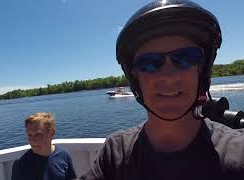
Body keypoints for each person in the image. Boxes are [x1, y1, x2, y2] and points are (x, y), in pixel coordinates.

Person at [80, 0, 244, 179]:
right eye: (150, 63)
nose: (169, 76)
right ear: (135, 77)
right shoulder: (114, 154)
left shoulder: (238, 154)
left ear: (202, 69)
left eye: (185, 58)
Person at [11, 112, 76, 180]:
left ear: (51, 133)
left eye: (38, 135)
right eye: (29, 135)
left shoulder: (63, 155)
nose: (32, 140)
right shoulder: (21, 164)